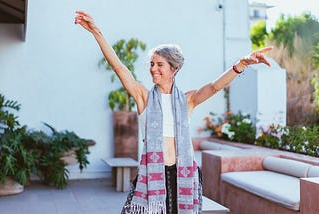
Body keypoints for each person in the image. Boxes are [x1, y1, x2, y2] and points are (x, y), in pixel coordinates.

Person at [74, 11, 273, 214]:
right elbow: (118, 67)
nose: (153, 69)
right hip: (152, 177)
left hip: (183, 177)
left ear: (174, 68)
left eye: (160, 64)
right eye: (152, 64)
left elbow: (214, 87)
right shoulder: (144, 97)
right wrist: (96, 32)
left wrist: (242, 64)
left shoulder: (187, 100)